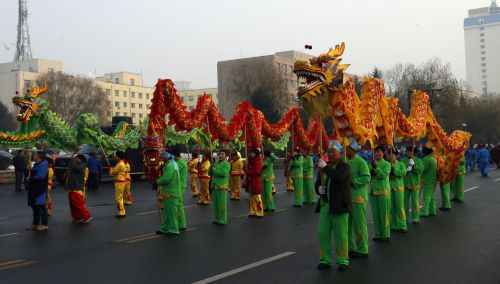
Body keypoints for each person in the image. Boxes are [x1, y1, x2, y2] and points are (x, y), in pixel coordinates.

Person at [315, 140, 351, 271]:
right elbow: (318, 183)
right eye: (328, 152)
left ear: (339, 153)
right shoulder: (325, 167)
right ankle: (325, 260)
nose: (330, 154)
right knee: (323, 233)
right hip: (325, 205)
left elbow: (339, 177)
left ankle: (343, 260)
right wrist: (318, 189)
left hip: (339, 206)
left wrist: (325, 167)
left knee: (341, 235)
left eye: (333, 152)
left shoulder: (344, 166)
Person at [345, 139, 371, 258]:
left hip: (358, 198)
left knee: (359, 225)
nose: (345, 150)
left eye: (347, 149)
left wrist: (354, 181)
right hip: (347, 198)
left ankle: (362, 249)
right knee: (347, 225)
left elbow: (367, 177)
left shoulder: (361, 162)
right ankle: (351, 248)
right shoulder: (345, 162)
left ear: (353, 150)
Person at [156, 150, 182, 235]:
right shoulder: (172, 164)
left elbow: (167, 179)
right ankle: (165, 228)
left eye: (163, 155)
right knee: (167, 212)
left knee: (171, 213)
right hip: (169, 192)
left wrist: (157, 182)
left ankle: (174, 229)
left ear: (167, 156)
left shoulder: (170, 165)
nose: (161, 157)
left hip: (171, 192)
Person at [369, 146, 391, 242]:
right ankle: (378, 234)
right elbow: (368, 177)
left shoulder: (387, 164)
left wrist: (376, 168)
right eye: (376, 152)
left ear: (383, 153)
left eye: (379, 152)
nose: (377, 153)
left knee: (384, 214)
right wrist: (371, 172)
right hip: (373, 192)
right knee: (376, 214)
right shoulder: (371, 164)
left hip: (383, 191)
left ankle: (385, 234)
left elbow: (383, 175)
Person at [65, 154, 92, 224]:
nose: (76, 159)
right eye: (75, 158)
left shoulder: (82, 166)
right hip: (72, 188)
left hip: (77, 188)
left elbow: (75, 167)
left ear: (81, 160)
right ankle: (77, 217)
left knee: (78, 205)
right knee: (73, 205)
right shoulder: (75, 165)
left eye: (77, 158)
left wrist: (72, 160)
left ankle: (86, 216)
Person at [26, 151, 49, 231]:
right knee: (34, 206)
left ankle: (44, 224)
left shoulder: (43, 164)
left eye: (35, 155)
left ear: (39, 156)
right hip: (34, 188)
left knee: (41, 206)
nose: (33, 156)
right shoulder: (37, 164)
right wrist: (29, 169)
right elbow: (31, 174)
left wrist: (31, 178)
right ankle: (35, 224)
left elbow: (40, 176)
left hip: (40, 189)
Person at [401, 146, 424, 224]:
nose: (407, 153)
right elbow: (401, 170)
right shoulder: (402, 160)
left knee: (415, 202)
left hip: (415, 184)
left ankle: (415, 218)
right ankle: (405, 218)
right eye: (406, 151)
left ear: (412, 152)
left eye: (408, 151)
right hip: (405, 184)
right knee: (405, 203)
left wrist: (414, 166)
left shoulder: (418, 160)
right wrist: (406, 169)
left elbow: (420, 170)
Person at [389, 148, 407, 233]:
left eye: (392, 154)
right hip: (390, 188)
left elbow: (403, 173)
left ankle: (402, 225)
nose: (391, 156)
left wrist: (394, 170)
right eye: (389, 154)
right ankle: (393, 225)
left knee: (400, 207)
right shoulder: (387, 165)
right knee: (392, 208)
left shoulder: (401, 164)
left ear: (396, 155)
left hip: (398, 188)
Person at [211, 150, 230, 225]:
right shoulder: (215, 164)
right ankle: (217, 218)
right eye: (220, 154)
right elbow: (211, 173)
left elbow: (224, 173)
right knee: (216, 204)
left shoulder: (227, 164)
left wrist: (215, 170)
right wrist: (211, 169)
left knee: (222, 204)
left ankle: (222, 219)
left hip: (222, 186)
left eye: (222, 154)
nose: (220, 155)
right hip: (215, 186)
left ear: (226, 156)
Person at [172, 146, 188, 230]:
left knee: (178, 205)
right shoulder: (179, 161)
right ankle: (180, 223)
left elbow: (173, 170)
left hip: (180, 186)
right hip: (178, 186)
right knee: (178, 205)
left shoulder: (180, 162)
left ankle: (182, 224)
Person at [246, 148, 264, 218]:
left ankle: (259, 212)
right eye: (250, 153)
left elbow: (257, 172)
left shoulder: (258, 161)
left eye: (252, 153)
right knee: (251, 197)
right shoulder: (250, 161)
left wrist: (248, 171)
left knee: (257, 197)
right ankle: (252, 211)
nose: (251, 154)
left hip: (255, 180)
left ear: (256, 154)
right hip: (250, 181)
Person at [420, 146, 438, 217]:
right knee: (432, 196)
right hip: (432, 180)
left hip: (427, 180)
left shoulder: (427, 159)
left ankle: (425, 212)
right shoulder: (433, 159)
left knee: (426, 197)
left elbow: (423, 169)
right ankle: (432, 210)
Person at [110, 151, 128, 218]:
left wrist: (111, 168)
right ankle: (122, 211)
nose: (115, 157)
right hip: (121, 181)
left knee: (118, 198)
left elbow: (113, 173)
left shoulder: (120, 164)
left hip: (119, 182)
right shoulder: (121, 163)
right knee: (120, 198)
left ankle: (121, 212)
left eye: (116, 156)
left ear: (119, 157)